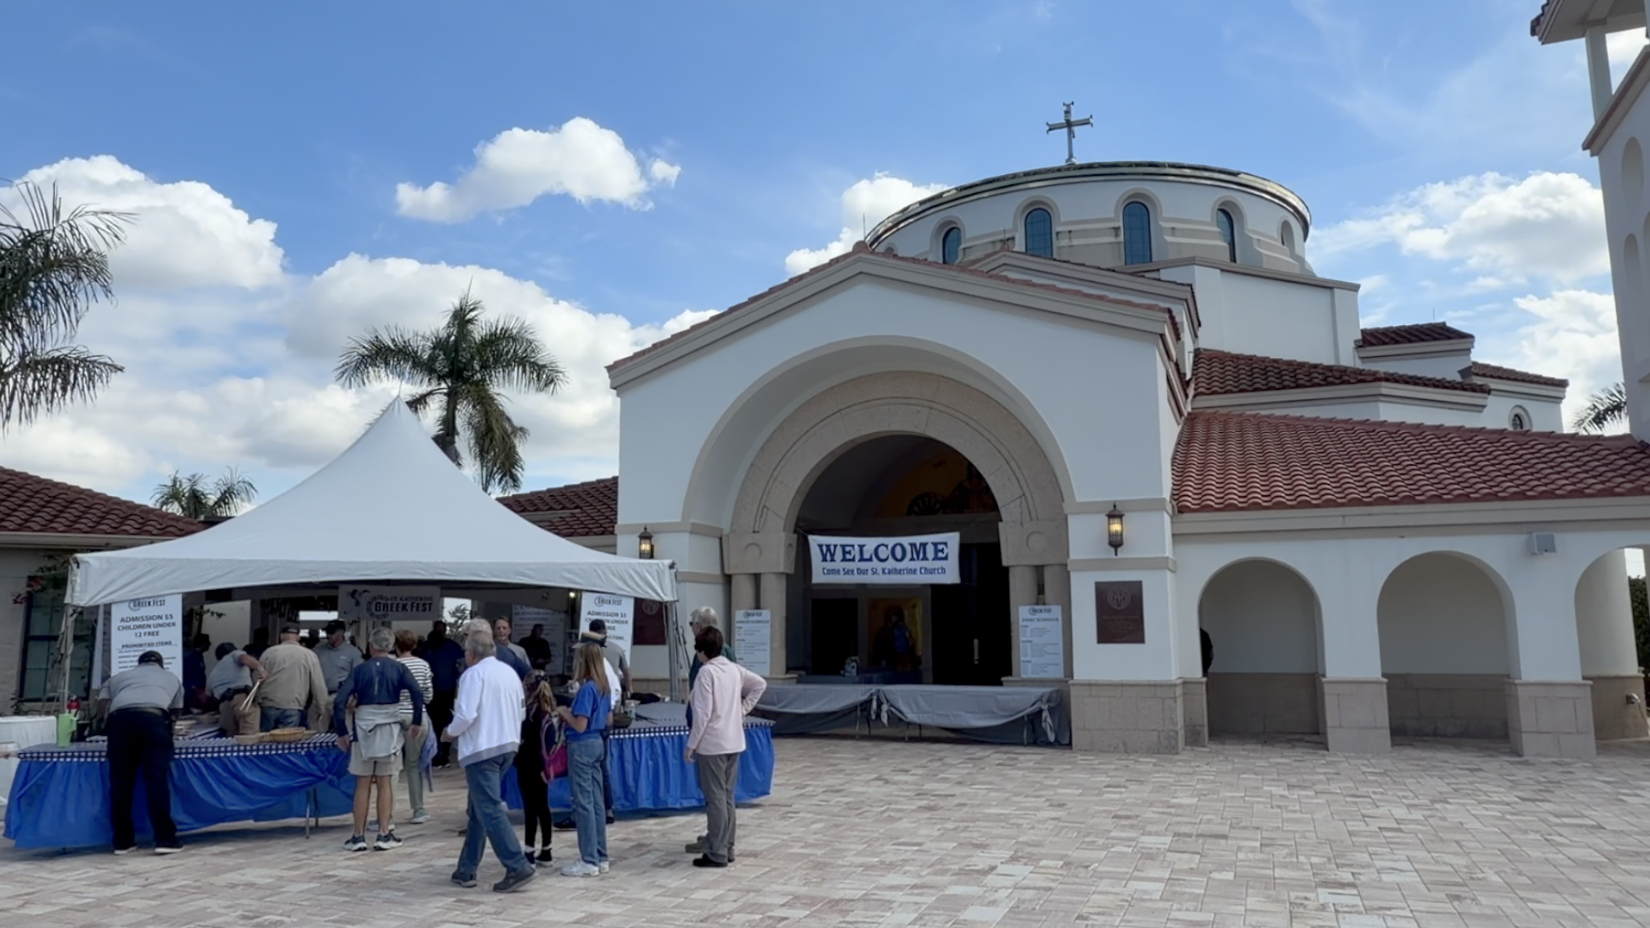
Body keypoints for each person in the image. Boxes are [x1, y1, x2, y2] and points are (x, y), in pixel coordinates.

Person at [446, 626, 536, 893]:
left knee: (490, 808)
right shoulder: (509, 672)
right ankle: (466, 868)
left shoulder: (473, 675)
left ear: (472, 654)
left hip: (482, 749)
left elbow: (465, 715)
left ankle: (517, 864)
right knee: (480, 808)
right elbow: (521, 711)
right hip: (508, 744)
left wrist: (449, 732)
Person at [334, 627, 425, 852]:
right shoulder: (399, 668)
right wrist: (416, 721)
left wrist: (342, 732)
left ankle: (358, 836)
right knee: (385, 782)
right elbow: (417, 692)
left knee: (362, 783)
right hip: (389, 729)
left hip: (363, 730)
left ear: (371, 645)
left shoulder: (360, 670)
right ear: (391, 646)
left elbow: (340, 701)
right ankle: (384, 833)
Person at [685, 626, 767, 868]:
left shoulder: (706, 673)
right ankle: (728, 846)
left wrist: (691, 745)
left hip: (712, 743)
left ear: (702, 651)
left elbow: (702, 714)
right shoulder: (733, 669)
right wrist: (742, 710)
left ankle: (717, 851)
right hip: (734, 740)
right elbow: (759, 684)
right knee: (727, 796)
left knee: (715, 799)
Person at [99, 650, 184, 855]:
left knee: (120, 783)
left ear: (138, 664)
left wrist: (107, 724)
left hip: (120, 721)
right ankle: (165, 839)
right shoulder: (171, 678)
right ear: (161, 665)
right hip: (154, 721)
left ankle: (122, 842)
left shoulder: (118, 677)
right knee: (156, 780)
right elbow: (175, 711)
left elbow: (102, 703)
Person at [556, 643, 611, 877]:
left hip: (581, 745)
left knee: (584, 803)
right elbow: (608, 719)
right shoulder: (604, 687)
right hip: (597, 743)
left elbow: (580, 724)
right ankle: (600, 855)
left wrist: (565, 713)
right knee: (597, 802)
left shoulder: (587, 689)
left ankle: (588, 859)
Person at [516, 671, 558, 866]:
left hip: (529, 763)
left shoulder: (530, 713)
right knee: (543, 807)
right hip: (545, 764)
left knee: (530, 808)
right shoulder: (550, 710)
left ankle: (529, 851)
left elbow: (528, 741)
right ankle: (547, 850)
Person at [394, 629, 434, 825]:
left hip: (395, 716)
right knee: (414, 765)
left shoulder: (393, 665)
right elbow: (428, 696)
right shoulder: (423, 665)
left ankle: (386, 813)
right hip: (418, 717)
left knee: (391, 767)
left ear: (395, 645)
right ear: (415, 645)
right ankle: (418, 809)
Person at [257, 624, 327, 731]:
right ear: (298, 637)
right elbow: (318, 684)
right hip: (293, 705)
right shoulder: (309, 655)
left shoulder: (268, 653)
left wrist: (258, 700)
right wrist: (321, 708)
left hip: (268, 705)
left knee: (266, 739)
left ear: (281, 637)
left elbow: (258, 678)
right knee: (289, 739)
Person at [422, 620, 466, 766]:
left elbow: (461, 666)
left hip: (443, 691)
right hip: (437, 691)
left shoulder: (447, 647)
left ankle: (441, 753)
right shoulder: (429, 646)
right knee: (439, 723)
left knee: (440, 723)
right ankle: (439, 753)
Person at [207, 641, 266, 735]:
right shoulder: (234, 654)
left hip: (224, 706)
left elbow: (207, 695)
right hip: (241, 700)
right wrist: (261, 669)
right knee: (249, 737)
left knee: (231, 739)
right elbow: (244, 658)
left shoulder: (213, 671)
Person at [316, 619, 364, 732]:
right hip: (321, 696)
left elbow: (359, 677)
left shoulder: (353, 652)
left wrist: (356, 698)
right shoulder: (317, 651)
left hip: (343, 696)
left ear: (341, 632)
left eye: (332, 632)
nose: (328, 635)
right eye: (327, 632)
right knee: (318, 732)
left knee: (345, 731)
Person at [687, 607, 735, 692]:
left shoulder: (705, 651)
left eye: (691, 624)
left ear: (698, 626)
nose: (691, 628)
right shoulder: (726, 649)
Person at [583, 620, 630, 699]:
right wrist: (629, 690)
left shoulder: (584, 650)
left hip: (592, 693)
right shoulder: (616, 649)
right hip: (613, 692)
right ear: (605, 632)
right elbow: (626, 671)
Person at [183, 633, 211, 711]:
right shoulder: (190, 657)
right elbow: (186, 674)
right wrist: (193, 688)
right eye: (208, 643)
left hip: (199, 689)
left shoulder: (199, 656)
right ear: (203, 644)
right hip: (194, 691)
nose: (209, 645)